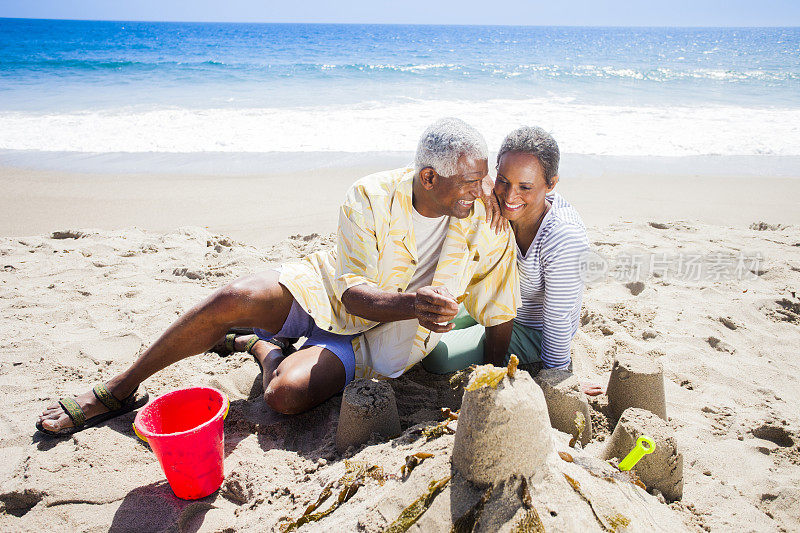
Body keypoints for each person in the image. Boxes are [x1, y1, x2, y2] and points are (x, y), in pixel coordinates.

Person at [36, 117, 520, 436]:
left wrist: (499, 381)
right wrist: (415, 302)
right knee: (232, 296)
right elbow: (351, 292)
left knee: (284, 396)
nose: (482, 191)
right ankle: (121, 388)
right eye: (472, 181)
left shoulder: (485, 221)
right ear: (430, 177)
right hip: (329, 295)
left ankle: (261, 346)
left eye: (483, 179)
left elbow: (499, 308)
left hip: (377, 343)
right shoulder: (369, 196)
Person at [424, 125, 592, 380]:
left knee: (436, 356)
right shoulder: (497, 201)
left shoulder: (564, 239)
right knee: (424, 324)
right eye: (503, 180)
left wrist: (557, 377)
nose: (510, 196)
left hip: (531, 328)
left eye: (525, 187)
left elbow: (558, 318)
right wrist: (487, 186)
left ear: (551, 184)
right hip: (494, 301)